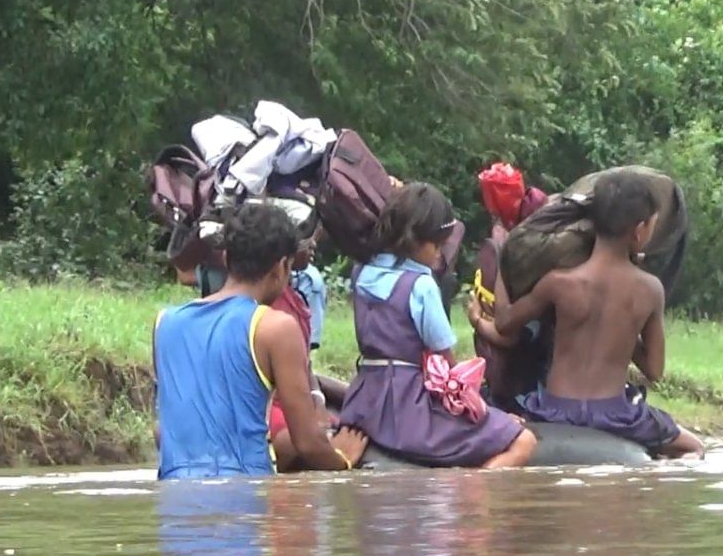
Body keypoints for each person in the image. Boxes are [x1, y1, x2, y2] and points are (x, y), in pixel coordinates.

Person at [494, 169, 704, 459]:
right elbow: (654, 370)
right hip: (616, 416)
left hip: (555, 410)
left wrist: (504, 262)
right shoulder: (650, 289)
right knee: (695, 448)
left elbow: (504, 323)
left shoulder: (559, 282)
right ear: (640, 230)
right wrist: (624, 332)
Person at [154, 203, 368, 479]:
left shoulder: (165, 322)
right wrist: (343, 460)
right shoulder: (275, 327)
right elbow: (307, 443)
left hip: (175, 504)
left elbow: (162, 431)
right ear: (282, 266)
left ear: (227, 258)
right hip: (244, 496)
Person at [340, 183, 537, 468]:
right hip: (408, 410)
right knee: (523, 441)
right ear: (414, 240)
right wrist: (486, 414)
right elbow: (447, 370)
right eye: (437, 244)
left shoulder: (360, 273)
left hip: (364, 402)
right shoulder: (420, 286)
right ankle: (468, 496)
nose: (439, 253)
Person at [467, 162, 550, 410]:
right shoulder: (523, 244)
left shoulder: (526, 263)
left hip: (526, 387)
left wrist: (477, 321)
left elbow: (511, 337)